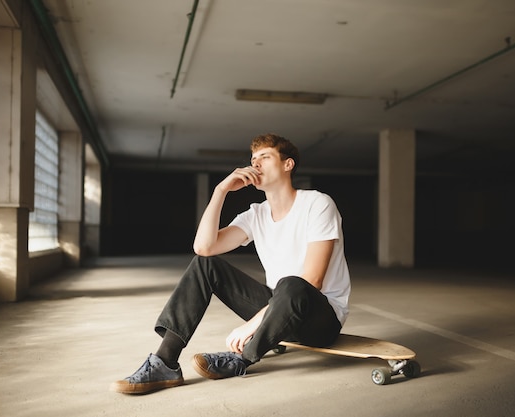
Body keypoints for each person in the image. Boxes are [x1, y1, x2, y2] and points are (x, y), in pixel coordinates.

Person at [111, 133, 351, 394]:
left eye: (265, 157)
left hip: (318, 317)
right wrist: (220, 191)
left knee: (293, 285)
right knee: (205, 265)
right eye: (253, 159)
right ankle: (165, 362)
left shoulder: (317, 203)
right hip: (276, 311)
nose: (255, 164)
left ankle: (242, 359)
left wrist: (251, 324)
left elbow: (312, 282)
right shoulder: (256, 214)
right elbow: (204, 247)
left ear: (287, 164)